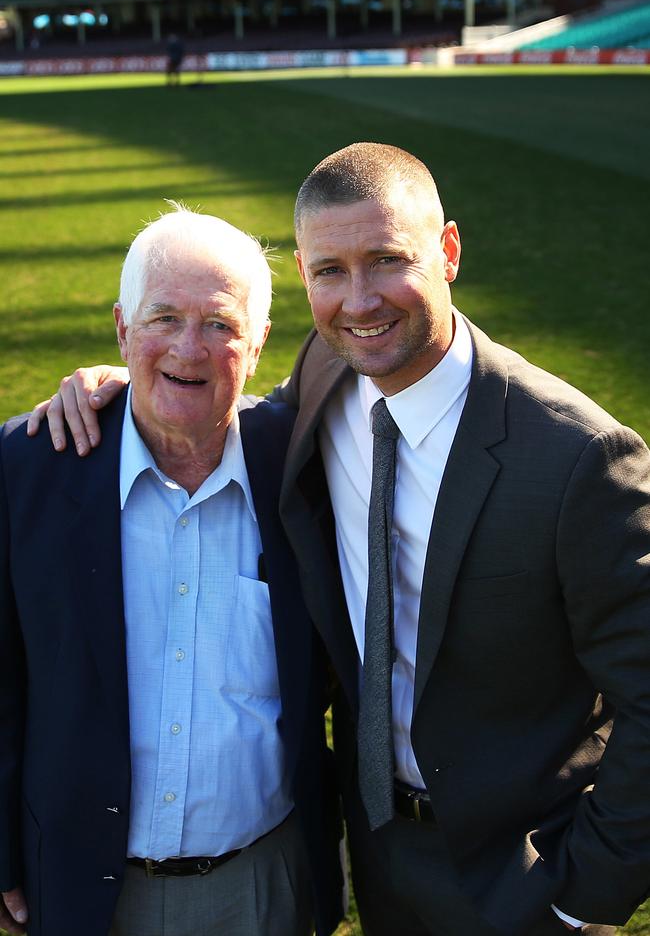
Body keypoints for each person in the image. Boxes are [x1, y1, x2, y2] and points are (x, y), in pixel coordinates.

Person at [28, 144, 650, 936]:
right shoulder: (327, 373)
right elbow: (213, 396)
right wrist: (119, 387)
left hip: (521, 876)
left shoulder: (577, 459)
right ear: (303, 277)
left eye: (387, 260)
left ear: (449, 251)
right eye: (329, 270)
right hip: (380, 855)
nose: (359, 300)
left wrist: (582, 892)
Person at [0, 207, 344, 936]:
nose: (190, 348)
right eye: (163, 319)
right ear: (122, 329)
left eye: (220, 324)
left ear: (256, 347)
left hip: (264, 885)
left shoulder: (305, 468)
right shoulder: (26, 470)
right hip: (84, 889)